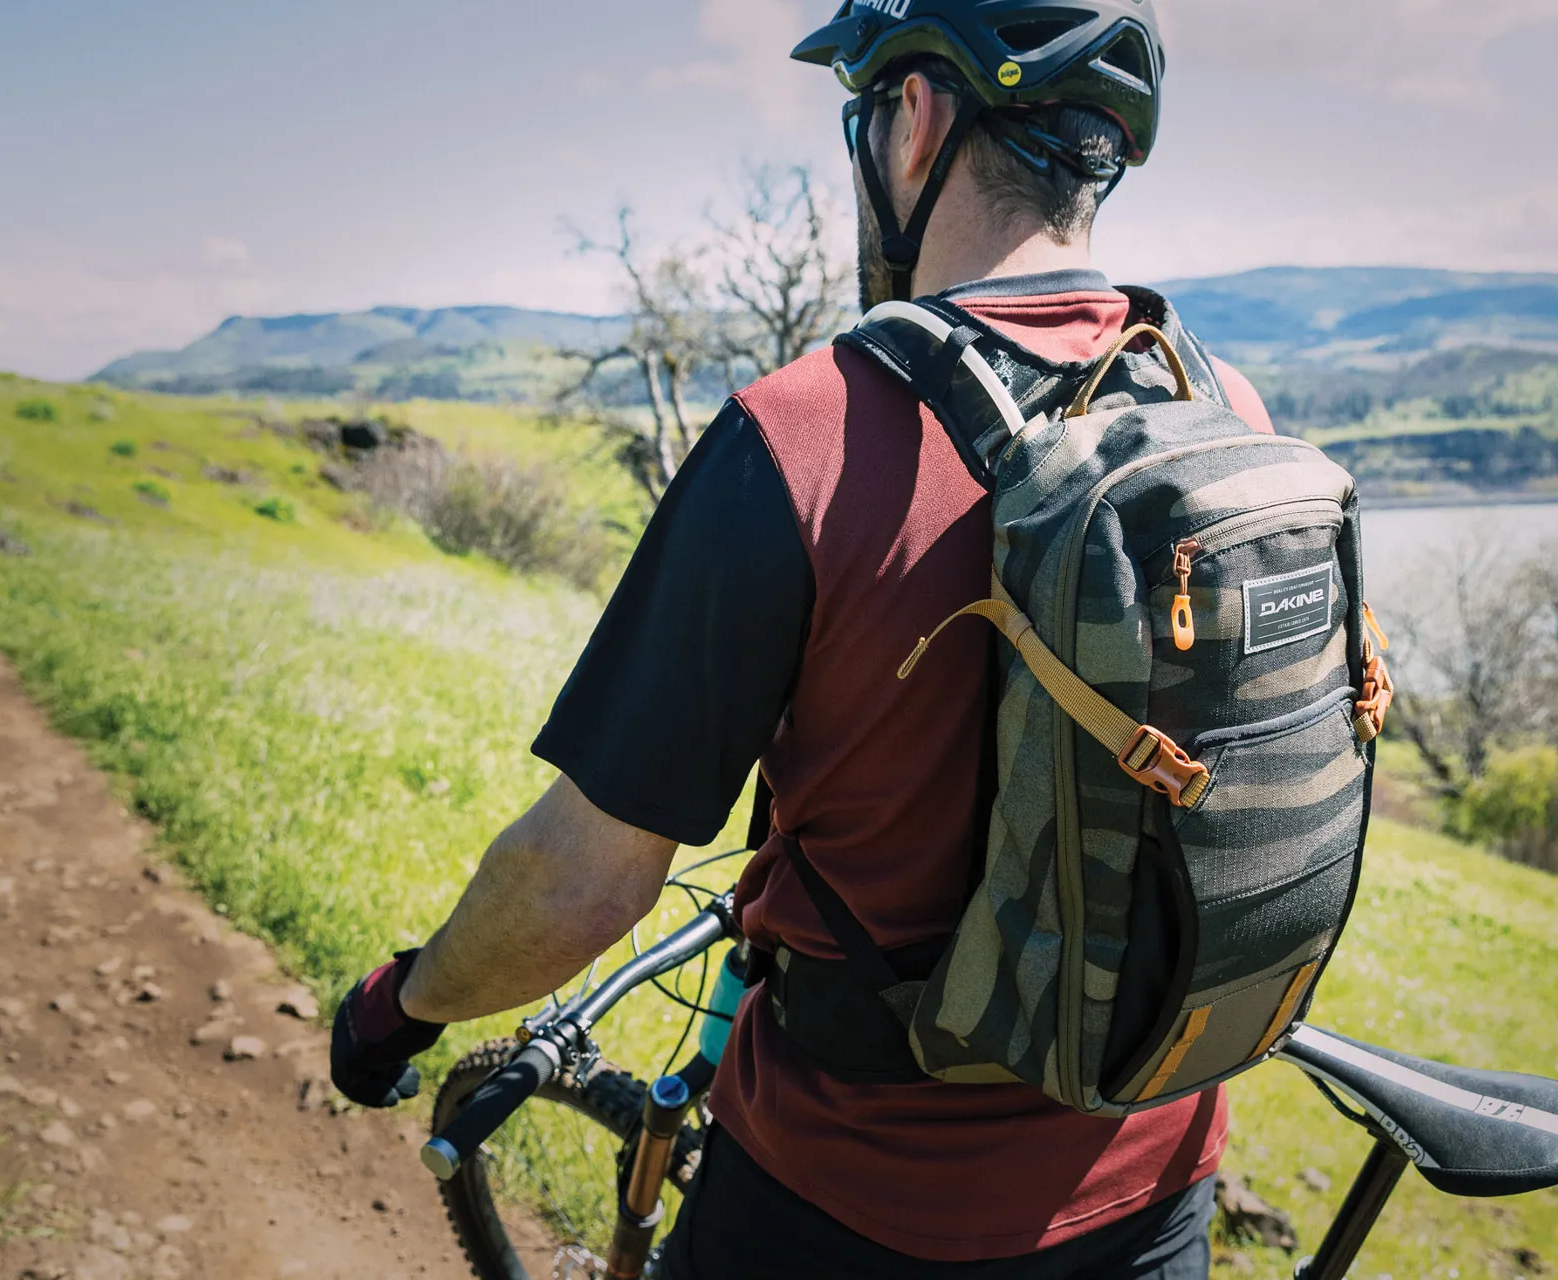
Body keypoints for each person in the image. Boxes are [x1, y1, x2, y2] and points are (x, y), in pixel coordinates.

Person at [331, 2, 1286, 1275]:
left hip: (852, 1204)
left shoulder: (803, 440)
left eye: (864, 115)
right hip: (1158, 1182)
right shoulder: (1219, 403)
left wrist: (400, 1005)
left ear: (916, 119)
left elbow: (583, 881)